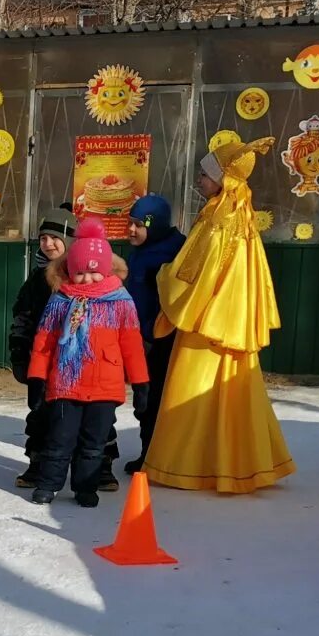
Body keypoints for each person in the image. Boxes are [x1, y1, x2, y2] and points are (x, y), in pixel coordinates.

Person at [142, 138, 296, 494]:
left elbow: (195, 275)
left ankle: (185, 467)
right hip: (231, 322)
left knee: (191, 392)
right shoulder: (240, 216)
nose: (199, 180)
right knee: (235, 394)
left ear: (223, 179)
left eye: (204, 174)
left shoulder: (218, 219)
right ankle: (242, 465)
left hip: (205, 323)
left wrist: (164, 276)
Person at [27, 225, 149, 507]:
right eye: (80, 272)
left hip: (105, 385)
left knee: (93, 444)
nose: (87, 278)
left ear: (106, 270)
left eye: (94, 271)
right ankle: (48, 484)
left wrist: (141, 383)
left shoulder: (121, 302)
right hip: (65, 384)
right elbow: (44, 341)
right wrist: (37, 377)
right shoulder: (60, 300)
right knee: (59, 440)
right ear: (70, 271)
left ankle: (85, 487)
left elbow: (132, 346)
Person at [120, 194, 184, 472]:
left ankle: (155, 457)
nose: (131, 230)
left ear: (154, 225)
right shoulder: (142, 251)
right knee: (144, 400)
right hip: (140, 338)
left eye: (138, 225)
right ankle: (149, 453)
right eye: (129, 223)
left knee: (155, 400)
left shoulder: (173, 252)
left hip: (162, 341)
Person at [9, 211, 72, 488]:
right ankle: (37, 463)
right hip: (42, 360)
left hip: (75, 360)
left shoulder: (82, 275)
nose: (48, 244)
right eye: (43, 239)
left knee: (84, 415)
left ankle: (97, 466)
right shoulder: (36, 279)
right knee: (40, 413)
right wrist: (19, 351)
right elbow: (22, 315)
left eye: (55, 238)